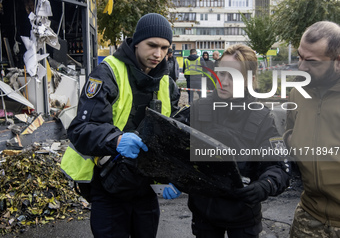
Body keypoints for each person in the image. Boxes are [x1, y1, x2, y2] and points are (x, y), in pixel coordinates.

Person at [60, 13, 181, 238]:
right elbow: (81, 129)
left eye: (165, 48)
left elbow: (174, 135)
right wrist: (115, 140)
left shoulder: (167, 83)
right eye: (152, 45)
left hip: (145, 187)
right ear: (136, 42)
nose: (158, 54)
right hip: (108, 185)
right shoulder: (108, 73)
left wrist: (178, 176)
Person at [188, 44, 291, 238]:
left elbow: (279, 166)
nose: (223, 82)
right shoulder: (199, 108)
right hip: (204, 214)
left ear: (249, 80)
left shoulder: (261, 117)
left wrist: (264, 185)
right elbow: (176, 146)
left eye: (232, 76)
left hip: (243, 217)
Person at [284, 21, 340, 238]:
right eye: (299, 56)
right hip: (308, 216)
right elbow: (290, 133)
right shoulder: (297, 93)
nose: (301, 66)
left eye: (312, 61)